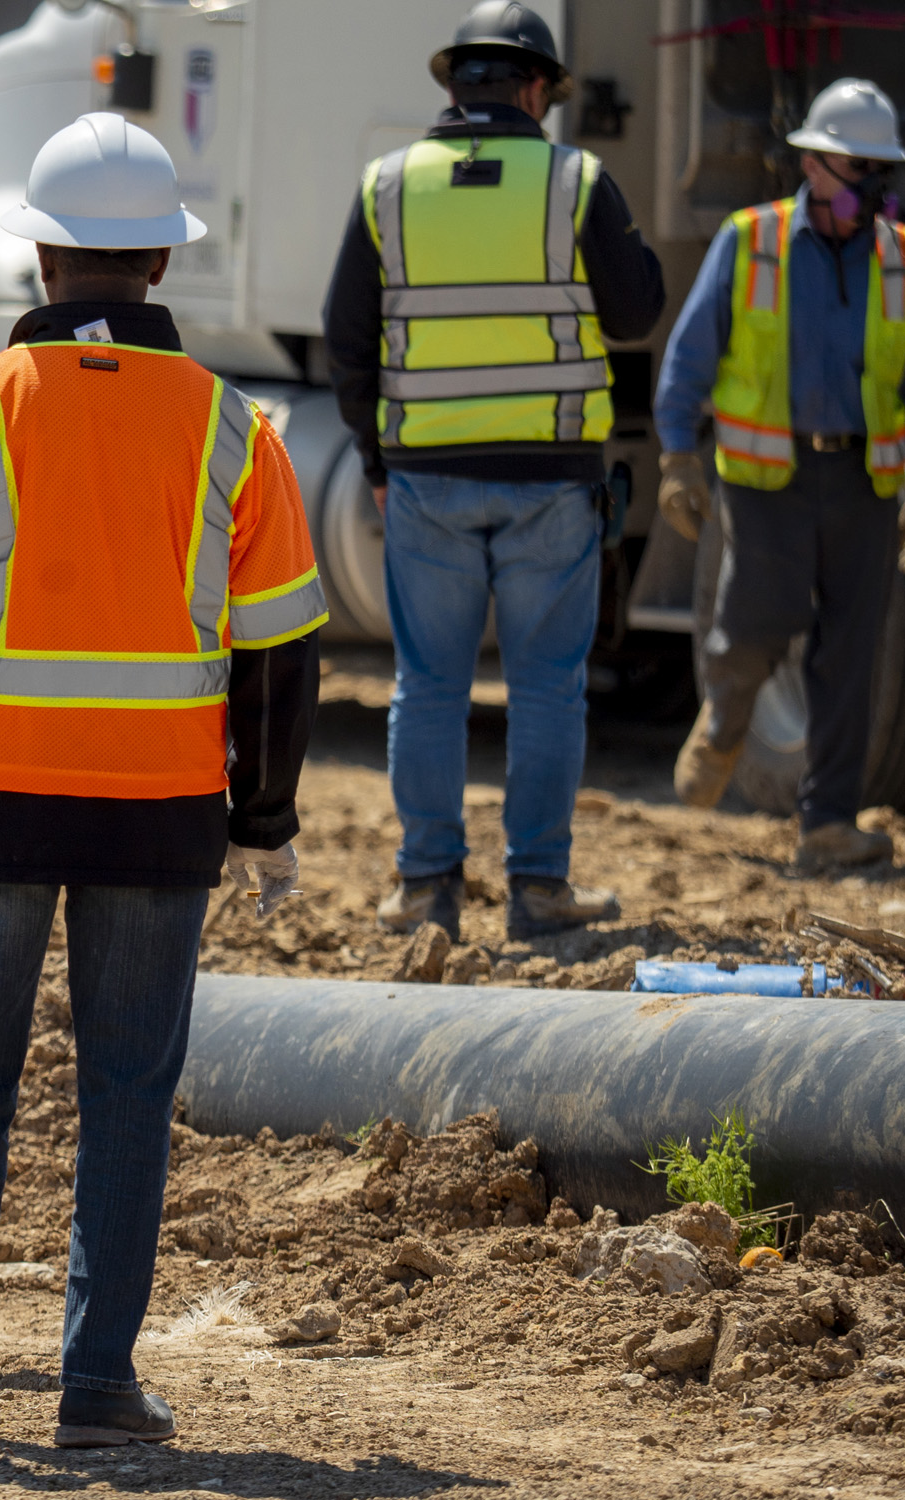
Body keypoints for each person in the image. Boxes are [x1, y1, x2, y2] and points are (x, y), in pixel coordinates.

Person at [0, 112, 326, 1448]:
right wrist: (264, 817)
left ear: (40, 261)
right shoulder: (233, 429)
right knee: (123, 1099)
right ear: (158, 267)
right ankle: (96, 1389)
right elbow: (280, 650)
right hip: (161, 817)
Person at [323, 0, 665, 941]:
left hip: (426, 477)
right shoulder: (575, 182)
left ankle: (427, 888)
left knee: (427, 685)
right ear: (532, 87)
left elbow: (346, 339)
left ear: (456, 85)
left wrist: (376, 455)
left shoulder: (386, 187)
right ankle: (539, 890)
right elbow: (636, 314)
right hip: (553, 479)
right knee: (547, 687)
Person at [657, 77, 905, 872]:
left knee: (849, 654)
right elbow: (690, 356)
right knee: (755, 626)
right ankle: (727, 719)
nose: (868, 188)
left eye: (878, 172)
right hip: (768, 481)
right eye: (856, 169)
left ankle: (829, 823)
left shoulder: (897, 259)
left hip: (866, 484)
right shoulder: (750, 240)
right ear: (815, 166)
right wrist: (676, 457)